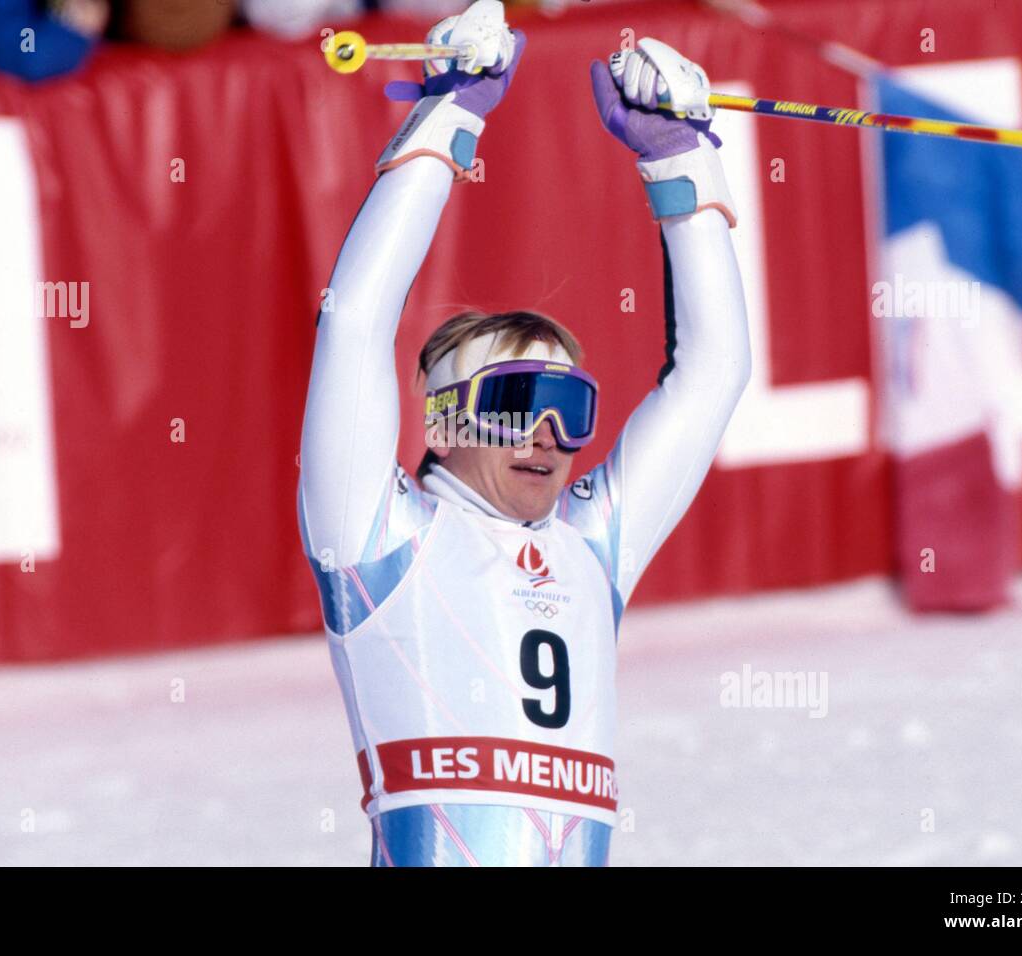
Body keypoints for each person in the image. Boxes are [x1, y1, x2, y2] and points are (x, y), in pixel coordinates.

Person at [298, 0, 750, 866]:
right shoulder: (377, 536)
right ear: (444, 417)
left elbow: (715, 373)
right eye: (516, 400)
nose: (547, 434)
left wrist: (681, 161)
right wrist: (450, 112)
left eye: (571, 407)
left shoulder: (591, 544)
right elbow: (355, 320)